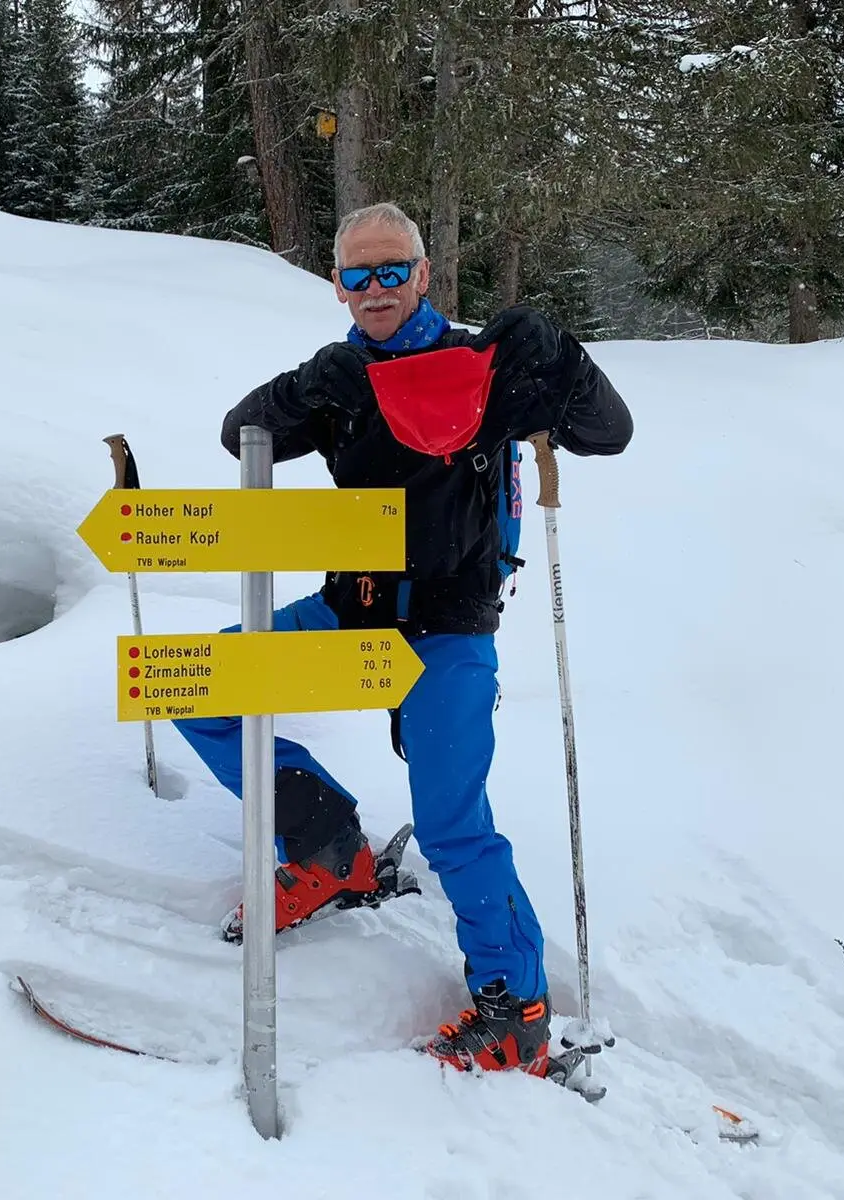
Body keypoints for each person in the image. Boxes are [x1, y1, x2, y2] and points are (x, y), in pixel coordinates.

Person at [173, 202, 632, 1077]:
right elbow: (241, 435)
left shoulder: (486, 367)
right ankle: (327, 852)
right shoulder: (346, 374)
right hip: (350, 615)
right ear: (338, 285)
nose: (376, 288)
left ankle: (515, 1010)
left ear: (423, 273)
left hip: (446, 633)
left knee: (455, 825)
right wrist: (306, 388)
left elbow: (609, 434)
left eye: (392, 270)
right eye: (358, 274)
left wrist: (567, 361)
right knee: (196, 685)